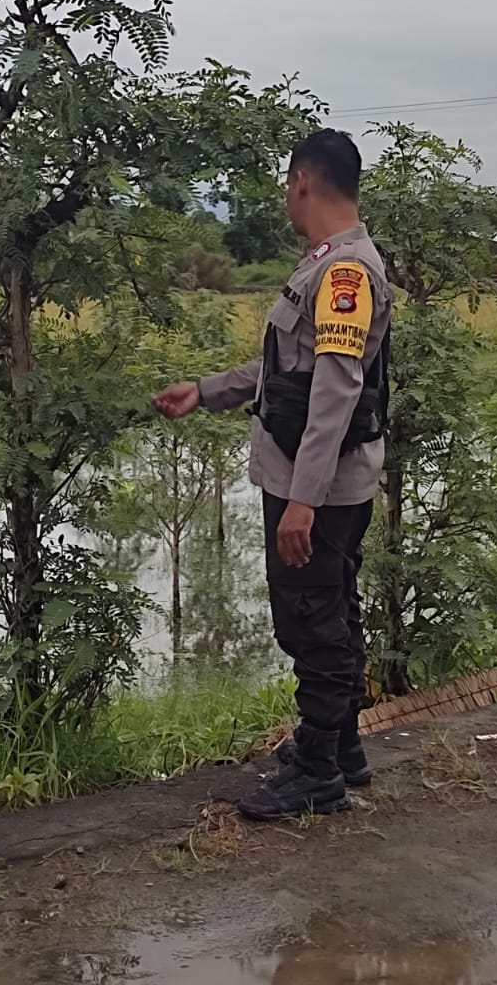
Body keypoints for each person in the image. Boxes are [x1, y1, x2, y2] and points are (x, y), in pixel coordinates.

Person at [153, 129, 390, 821]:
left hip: (314, 487)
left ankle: (319, 770)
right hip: (316, 483)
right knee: (331, 609)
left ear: (301, 184)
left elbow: (336, 392)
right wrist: (208, 389)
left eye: (287, 188)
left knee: (312, 619)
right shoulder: (323, 266)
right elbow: (291, 371)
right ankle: (339, 745)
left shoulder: (343, 273)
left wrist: (302, 503)